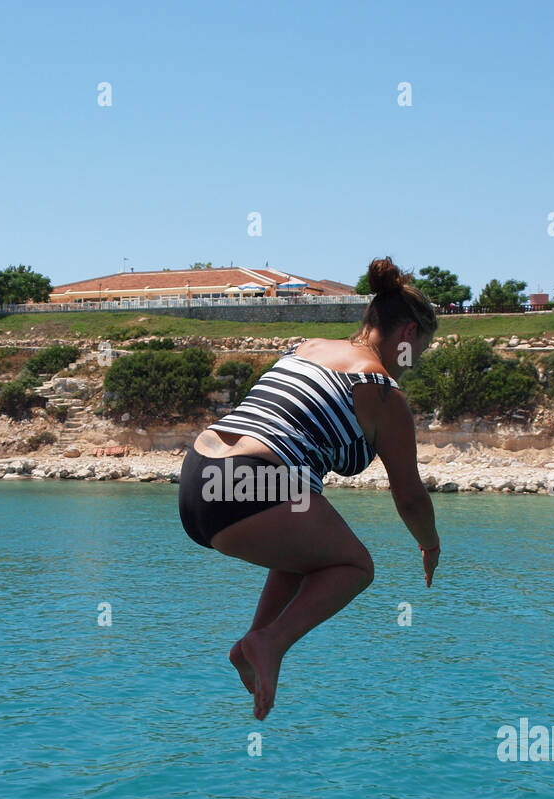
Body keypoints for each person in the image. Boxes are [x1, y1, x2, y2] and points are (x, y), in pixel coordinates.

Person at [177, 257, 441, 720]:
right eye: (420, 351)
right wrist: (429, 541)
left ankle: (253, 644)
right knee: (355, 566)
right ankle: (270, 642)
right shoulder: (382, 392)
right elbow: (410, 495)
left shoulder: (310, 347)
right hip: (252, 483)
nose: (415, 364)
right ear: (407, 337)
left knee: (312, 556)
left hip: (200, 477)